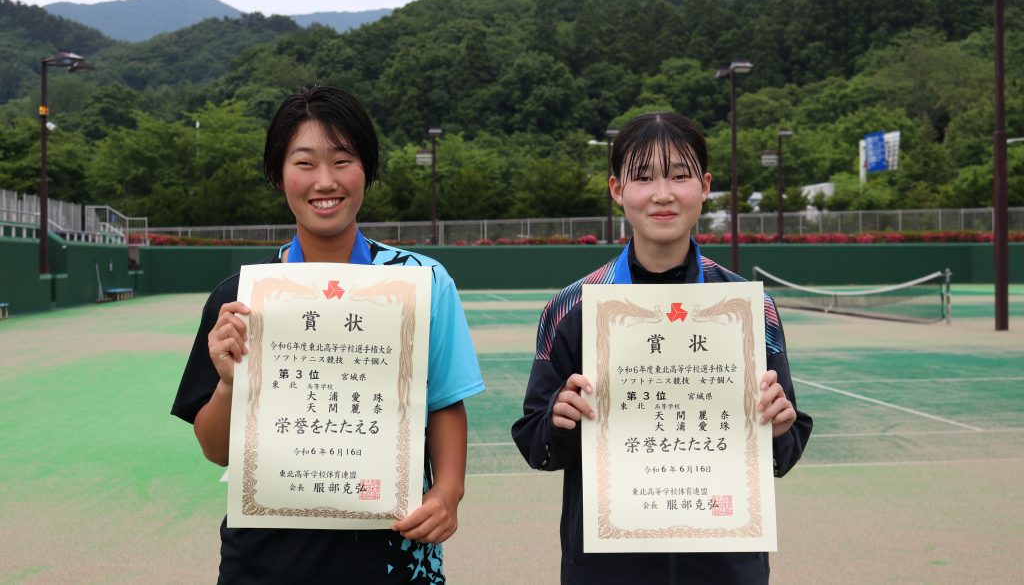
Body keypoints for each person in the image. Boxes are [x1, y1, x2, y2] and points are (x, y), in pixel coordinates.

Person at [172, 86, 485, 584]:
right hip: (265, 560)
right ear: (278, 174)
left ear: (367, 169)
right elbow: (217, 450)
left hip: (394, 554)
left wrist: (448, 493)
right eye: (304, 163)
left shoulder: (421, 282)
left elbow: (445, 402)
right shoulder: (240, 297)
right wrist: (231, 383)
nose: (325, 181)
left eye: (343, 160)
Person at [511, 111, 812, 584]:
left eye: (680, 176)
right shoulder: (572, 308)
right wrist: (558, 417)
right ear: (617, 190)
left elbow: (786, 449)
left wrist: (778, 426)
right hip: (607, 569)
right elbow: (535, 443)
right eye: (644, 177)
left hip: (726, 568)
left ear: (705, 185)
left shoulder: (751, 310)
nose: (663, 193)